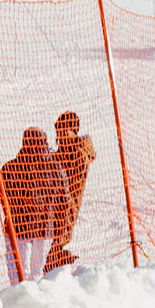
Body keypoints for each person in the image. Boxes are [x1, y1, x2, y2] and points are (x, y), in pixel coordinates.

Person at [0, 126, 65, 281]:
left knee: (18, 273)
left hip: (18, 227)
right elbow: (64, 200)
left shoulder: (11, 168)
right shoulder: (55, 167)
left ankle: (19, 300)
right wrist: (61, 228)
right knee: (36, 274)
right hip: (45, 227)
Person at [46, 111, 97, 271]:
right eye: (58, 132)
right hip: (57, 204)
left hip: (66, 204)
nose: (59, 136)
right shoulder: (65, 150)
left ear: (72, 131)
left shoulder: (78, 153)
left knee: (58, 237)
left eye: (62, 132)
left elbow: (70, 172)